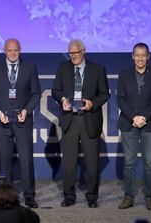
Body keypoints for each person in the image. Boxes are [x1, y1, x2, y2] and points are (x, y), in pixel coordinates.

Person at [51, 39, 110, 208]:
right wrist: (62, 99)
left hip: (89, 118)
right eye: (70, 53)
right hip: (70, 119)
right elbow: (55, 90)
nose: (73, 56)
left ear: (83, 51)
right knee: (69, 162)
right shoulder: (63, 68)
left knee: (91, 162)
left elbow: (105, 94)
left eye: (76, 53)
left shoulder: (97, 69)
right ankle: (69, 195)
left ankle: (92, 196)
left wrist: (92, 103)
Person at [0, 38, 41, 208]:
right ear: (4, 50)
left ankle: (30, 196)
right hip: (2, 121)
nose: (13, 53)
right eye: (10, 50)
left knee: (26, 160)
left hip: (22, 119)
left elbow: (36, 94)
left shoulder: (30, 67)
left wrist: (27, 110)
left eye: (16, 50)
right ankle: (7, 198)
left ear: (20, 50)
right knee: (5, 162)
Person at [117, 43, 151, 211]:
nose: (140, 58)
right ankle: (129, 196)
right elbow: (120, 99)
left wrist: (143, 117)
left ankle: (149, 196)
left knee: (149, 163)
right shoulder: (124, 75)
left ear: (148, 56)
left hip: (149, 123)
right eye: (137, 55)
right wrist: (133, 117)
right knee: (129, 162)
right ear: (132, 56)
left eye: (143, 55)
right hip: (129, 123)